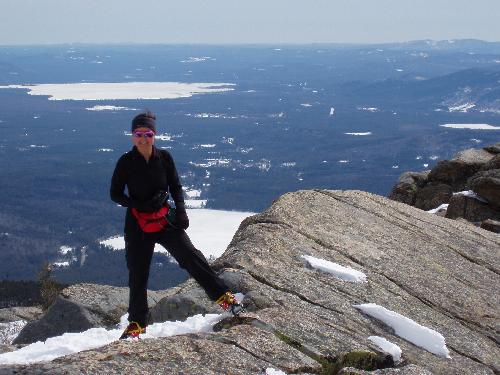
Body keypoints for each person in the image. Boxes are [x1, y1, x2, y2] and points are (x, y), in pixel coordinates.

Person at [110, 111, 242, 340]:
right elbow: (115, 194)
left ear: (154, 135)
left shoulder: (165, 158)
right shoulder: (126, 162)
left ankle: (225, 298)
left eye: (148, 134)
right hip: (137, 225)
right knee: (138, 275)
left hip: (165, 220)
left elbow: (175, 186)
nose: (143, 138)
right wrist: (139, 204)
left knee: (191, 257)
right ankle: (137, 325)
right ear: (132, 136)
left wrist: (181, 211)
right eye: (139, 134)